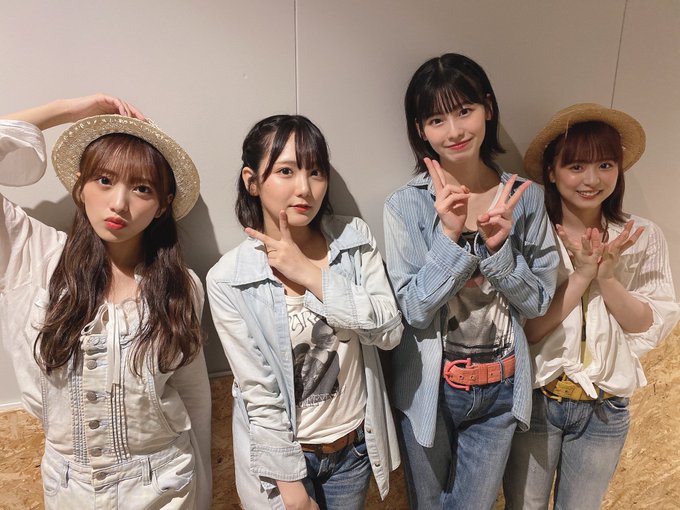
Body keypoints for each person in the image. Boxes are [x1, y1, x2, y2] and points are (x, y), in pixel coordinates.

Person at [0, 95, 211, 509]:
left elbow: (195, 396)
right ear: (80, 185)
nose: (119, 203)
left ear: (163, 205)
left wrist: (203, 498)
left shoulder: (180, 285)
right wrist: (68, 111)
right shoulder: (33, 258)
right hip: (69, 491)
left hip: (167, 488)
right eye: (104, 180)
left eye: (142, 188)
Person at [383, 53, 558, 509]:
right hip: (430, 389)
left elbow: (538, 301)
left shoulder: (526, 198)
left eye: (465, 111)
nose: (455, 131)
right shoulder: (405, 205)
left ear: (488, 108)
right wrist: (449, 237)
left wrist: (499, 252)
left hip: (501, 388)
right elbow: (413, 310)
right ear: (421, 130)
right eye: (436, 119)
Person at [207, 115, 402, 510]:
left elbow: (389, 331)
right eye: (286, 171)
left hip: (352, 451)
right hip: (283, 464)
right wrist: (292, 490)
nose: (305, 188)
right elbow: (258, 392)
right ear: (252, 181)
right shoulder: (228, 279)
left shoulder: (353, 239)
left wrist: (311, 276)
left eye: (316, 172)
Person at [503, 103, 680, 509]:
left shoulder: (639, 235)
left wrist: (607, 277)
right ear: (551, 171)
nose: (592, 179)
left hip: (605, 408)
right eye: (576, 166)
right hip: (539, 400)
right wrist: (581, 276)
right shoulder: (531, 236)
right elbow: (527, 330)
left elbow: (646, 324)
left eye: (605, 165)